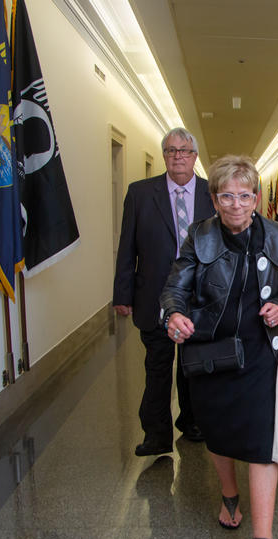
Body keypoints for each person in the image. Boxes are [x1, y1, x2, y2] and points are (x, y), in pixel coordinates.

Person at [160, 154, 278, 539]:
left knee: (262, 443)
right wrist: (173, 315)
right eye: (226, 196)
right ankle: (229, 495)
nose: (236, 204)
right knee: (218, 435)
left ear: (257, 198)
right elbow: (175, 287)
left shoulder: (277, 234)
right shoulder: (198, 235)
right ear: (214, 198)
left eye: (244, 195)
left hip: (260, 353)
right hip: (211, 352)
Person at [113, 127, 215, 456]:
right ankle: (156, 434)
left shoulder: (211, 193)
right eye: (171, 151)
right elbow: (127, 246)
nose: (178, 157)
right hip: (153, 295)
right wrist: (122, 294)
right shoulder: (141, 193)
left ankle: (192, 421)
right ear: (164, 156)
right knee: (157, 367)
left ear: (195, 157)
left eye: (185, 151)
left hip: (199, 297)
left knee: (193, 365)